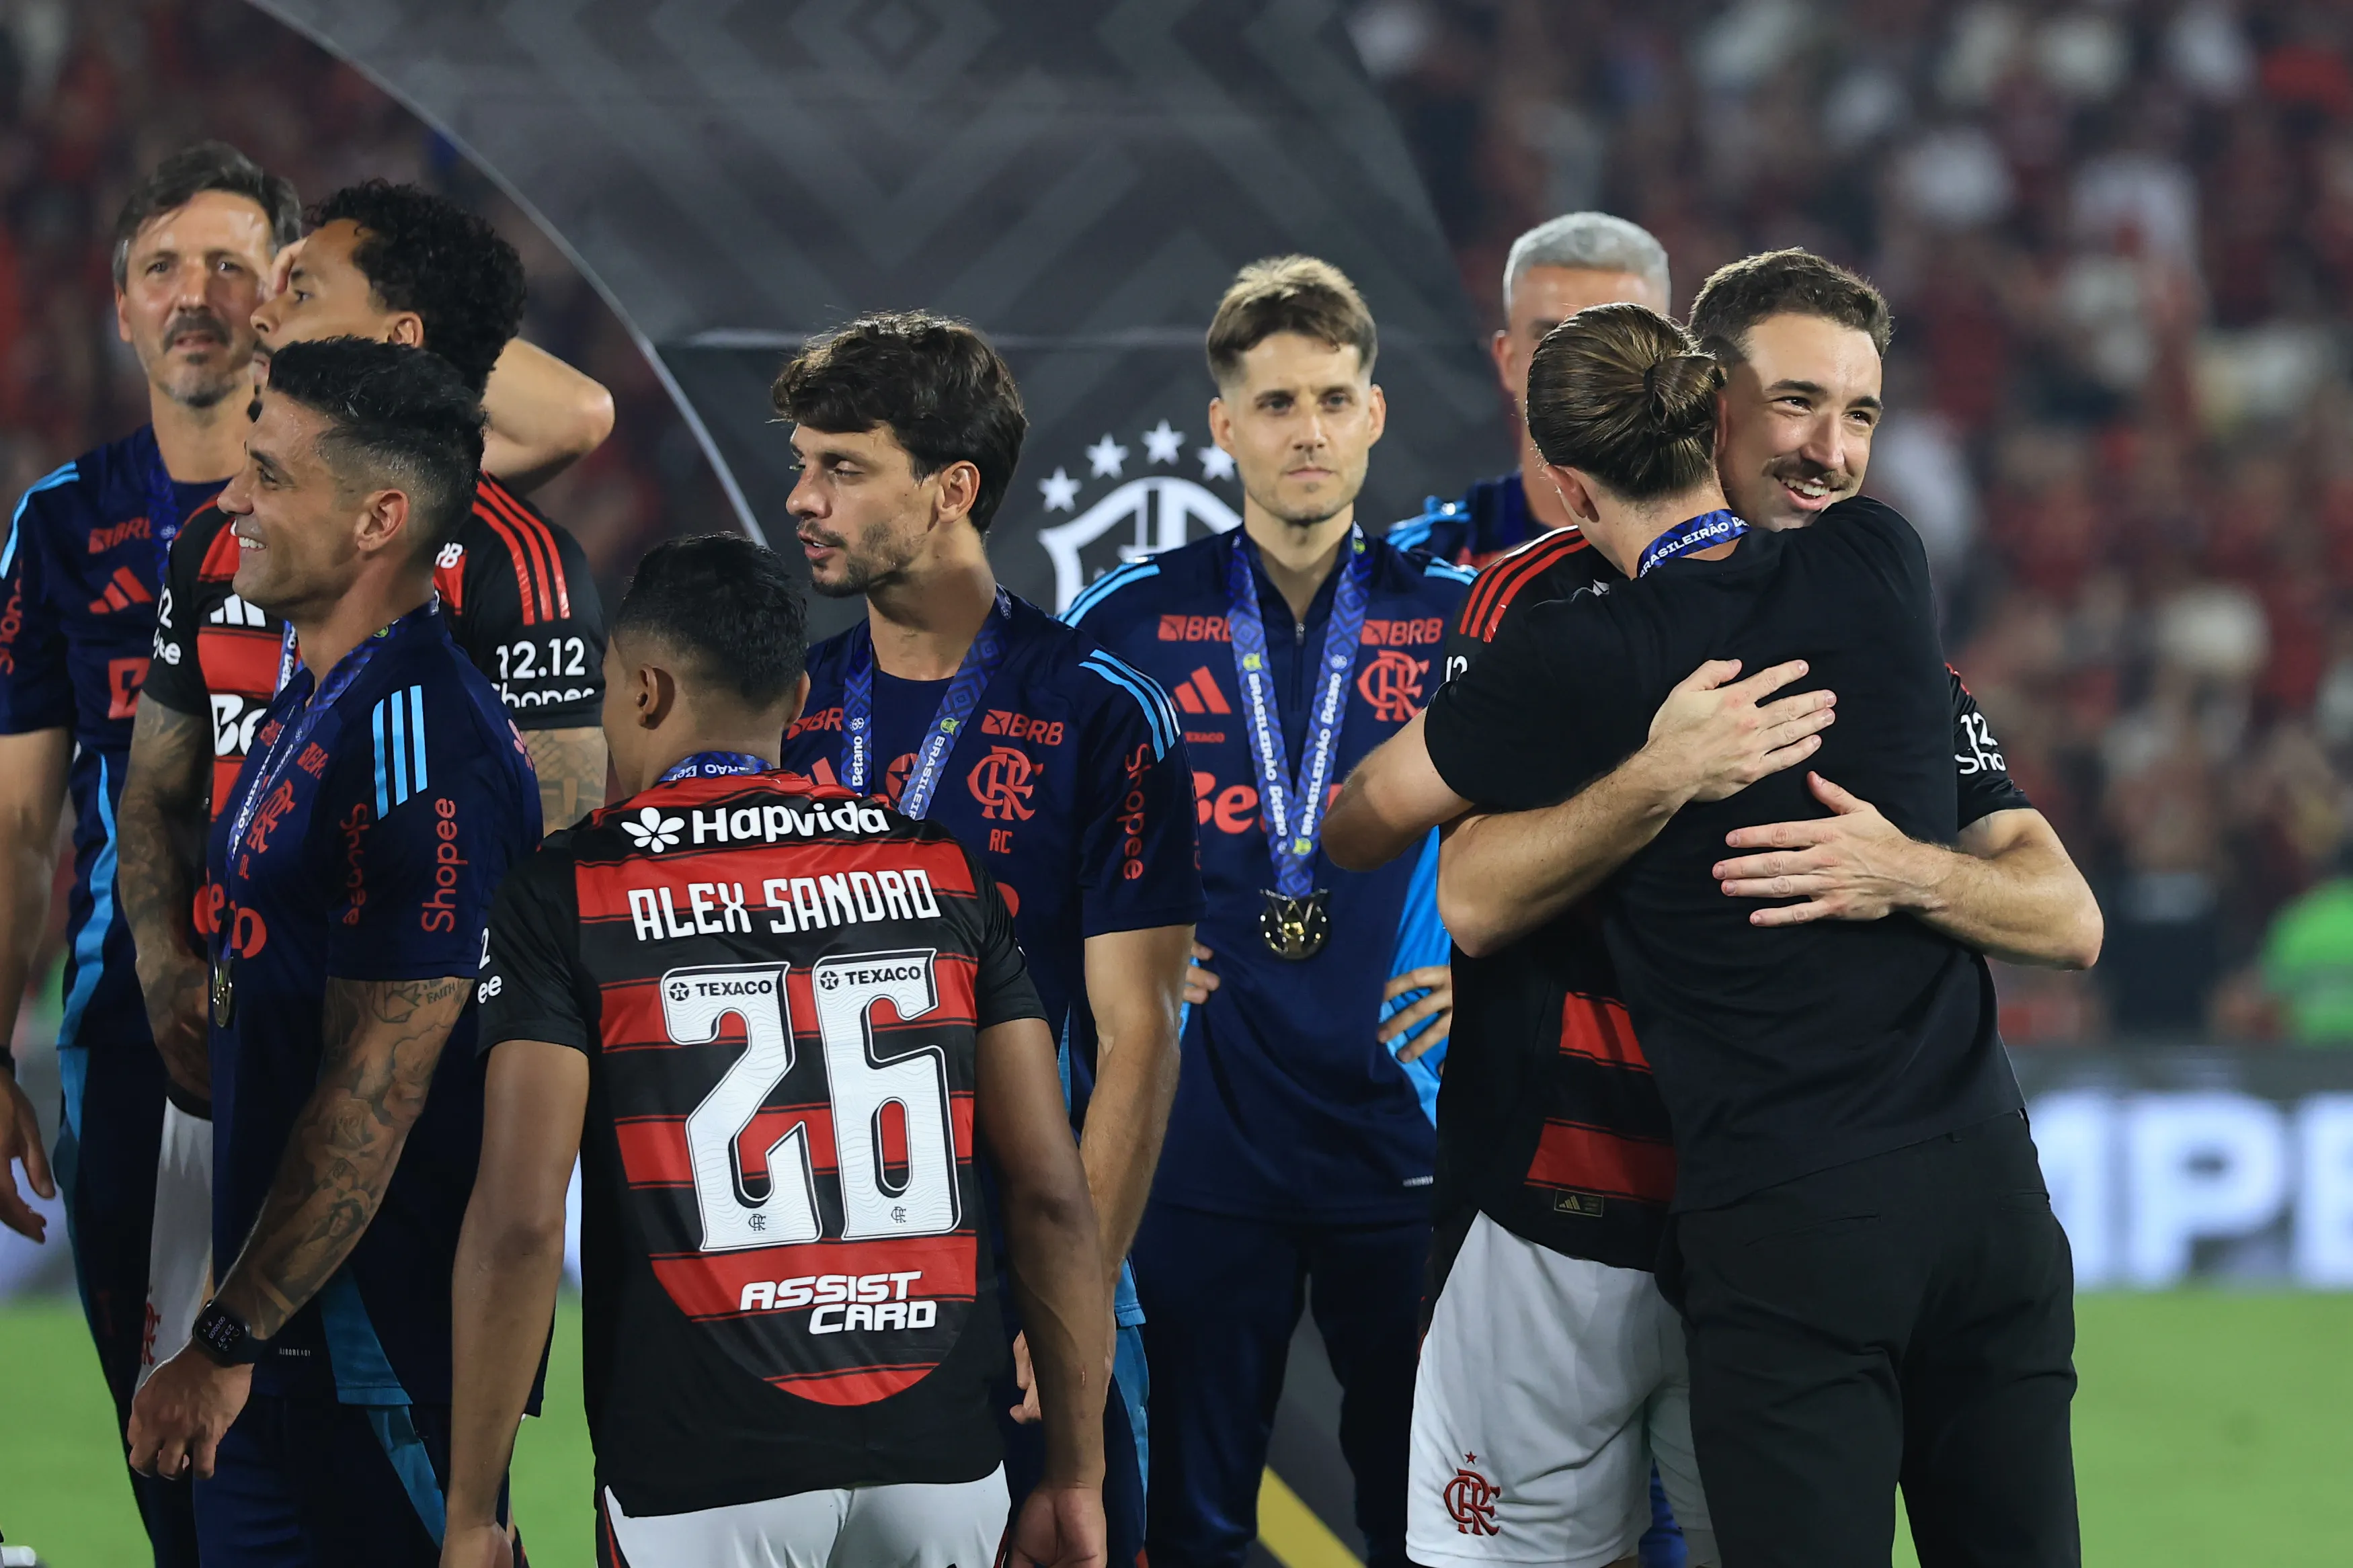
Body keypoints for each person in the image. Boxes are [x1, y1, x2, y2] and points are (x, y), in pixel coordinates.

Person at [1332, 249, 2101, 1568]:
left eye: (1860, 415)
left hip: (1777, 1210)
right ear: (1709, 401)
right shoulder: (1849, 566)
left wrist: (1904, 869)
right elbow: (1471, 895)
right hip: (1588, 1195)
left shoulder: (1849, 584)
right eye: (1798, 403)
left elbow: (2064, 911)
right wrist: (1660, 773)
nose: (1831, 451)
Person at [442, 534, 1112, 1568]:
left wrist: (474, 1511)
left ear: (646, 689)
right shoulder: (941, 869)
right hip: (941, 1462)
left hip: (703, 1474)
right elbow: (1054, 1196)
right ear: (798, 698)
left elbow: (524, 1222)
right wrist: (1074, 1476)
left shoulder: (568, 890)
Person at [770, 312, 1201, 1566]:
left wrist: (1071, 1299)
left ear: (951, 489)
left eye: (842, 468)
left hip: (1016, 1282)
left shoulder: (1100, 713)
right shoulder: (786, 710)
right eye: (801, 464)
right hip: (807, 1284)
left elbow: (1137, 1035)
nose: (803, 499)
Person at [1063, 256, 1471, 1568]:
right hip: (1195, 1139)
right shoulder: (1125, 622)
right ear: (1223, 425)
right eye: (1277, 402)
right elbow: (1029, 839)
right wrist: (1106, 940)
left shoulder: (1456, 620)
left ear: (1375, 414)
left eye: (1333, 399)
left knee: (1432, 1517)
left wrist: (1497, 967)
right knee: (1191, 1524)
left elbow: (1560, 831)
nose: (1307, 429)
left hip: (1404, 1132)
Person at [122, 337, 543, 1566]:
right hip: (274, 1341)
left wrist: (226, 1341)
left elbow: (377, 1091)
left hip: (373, 1358)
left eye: (270, 473)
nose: (231, 500)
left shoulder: (426, 749)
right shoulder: (320, 691)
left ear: (378, 519)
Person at [0, 140, 299, 1567]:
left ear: (287, 297)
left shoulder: (359, 501)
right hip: (131, 1034)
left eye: (235, 266)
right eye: (164, 268)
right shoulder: (64, 523)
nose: (198, 296)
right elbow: (21, 823)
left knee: (348, 1433)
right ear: (119, 306)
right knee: (165, 1444)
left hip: (338, 1015)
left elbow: (578, 411)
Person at [1388, 212, 1671, 569]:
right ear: (1507, 361)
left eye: (1612, 339)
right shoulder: (1410, 568)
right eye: (1549, 336)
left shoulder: (1731, 559)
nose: (1577, 365)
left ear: (1669, 364)